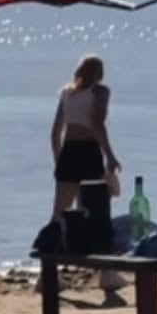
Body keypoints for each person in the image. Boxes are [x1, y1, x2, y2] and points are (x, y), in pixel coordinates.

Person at [50, 55, 120, 221]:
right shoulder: (100, 92)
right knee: (91, 210)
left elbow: (55, 132)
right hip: (88, 151)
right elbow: (97, 124)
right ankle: (86, 244)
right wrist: (110, 156)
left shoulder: (67, 93)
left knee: (60, 212)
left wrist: (58, 161)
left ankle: (49, 244)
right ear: (100, 74)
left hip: (68, 151)